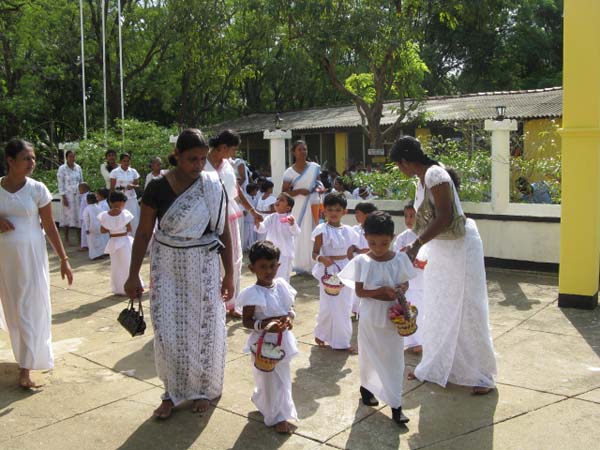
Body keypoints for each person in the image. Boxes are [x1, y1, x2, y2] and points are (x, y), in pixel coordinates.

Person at [124, 128, 234, 419]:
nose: (198, 165)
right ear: (177, 156)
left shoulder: (213, 185)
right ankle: (171, 392)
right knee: (167, 332)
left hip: (204, 266)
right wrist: (133, 274)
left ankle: (202, 390)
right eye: (192, 159)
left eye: (202, 159)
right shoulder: (157, 188)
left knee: (205, 328)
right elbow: (144, 232)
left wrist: (229, 275)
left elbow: (223, 230)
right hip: (167, 266)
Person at [390, 136, 497, 395]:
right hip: (441, 250)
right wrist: (415, 246)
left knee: (467, 310)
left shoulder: (435, 174)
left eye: (399, 165)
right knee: (440, 308)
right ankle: (437, 367)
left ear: (405, 161)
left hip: (460, 250)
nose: (400, 170)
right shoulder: (421, 180)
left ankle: (482, 376)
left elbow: (446, 216)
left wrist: (416, 245)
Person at [0, 139, 73, 388]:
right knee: (14, 310)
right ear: (10, 161)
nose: (32, 162)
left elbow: (50, 226)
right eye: (26, 158)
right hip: (5, 261)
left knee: (31, 309)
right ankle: (23, 357)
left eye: (33, 157)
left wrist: (63, 259)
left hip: (32, 257)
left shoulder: (37, 189)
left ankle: (26, 368)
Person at [339, 211, 415, 425]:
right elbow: (360, 291)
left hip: (394, 316)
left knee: (394, 359)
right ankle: (366, 388)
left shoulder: (400, 259)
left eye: (384, 243)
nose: (379, 248)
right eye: (372, 243)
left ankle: (396, 405)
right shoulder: (362, 261)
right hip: (371, 316)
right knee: (369, 355)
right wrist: (381, 291)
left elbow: (406, 282)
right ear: (365, 238)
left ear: (392, 238)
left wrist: (400, 289)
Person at [239, 241, 298, 434]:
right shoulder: (252, 294)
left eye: (272, 266)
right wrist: (264, 325)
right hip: (263, 344)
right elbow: (246, 321)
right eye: (263, 267)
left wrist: (289, 319)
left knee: (282, 378)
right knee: (268, 380)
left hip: (283, 341)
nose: (269, 271)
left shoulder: (282, 286)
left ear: (278, 265)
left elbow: (290, 308)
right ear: (252, 268)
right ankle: (276, 416)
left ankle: (279, 412)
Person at [206, 129, 261, 317]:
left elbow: (237, 190)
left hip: (229, 216)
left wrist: (252, 211)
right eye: (233, 149)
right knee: (213, 260)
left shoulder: (228, 164)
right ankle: (214, 303)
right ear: (223, 147)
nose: (234, 153)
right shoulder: (202, 164)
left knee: (234, 258)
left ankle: (231, 302)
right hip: (208, 219)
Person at [311, 192, 358, 352]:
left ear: (344, 212)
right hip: (328, 270)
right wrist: (322, 259)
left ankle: (342, 342)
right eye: (330, 209)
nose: (333, 213)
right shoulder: (321, 230)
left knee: (344, 305)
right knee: (327, 305)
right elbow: (314, 253)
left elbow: (352, 251)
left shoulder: (350, 231)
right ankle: (321, 333)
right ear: (324, 210)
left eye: (338, 210)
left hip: (345, 269)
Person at [282, 140, 321, 273]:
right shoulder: (289, 172)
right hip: (298, 205)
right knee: (300, 232)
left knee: (313, 230)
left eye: (305, 149)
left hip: (313, 202)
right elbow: (284, 192)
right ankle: (301, 263)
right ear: (294, 152)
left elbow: (319, 183)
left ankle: (314, 262)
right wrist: (299, 191)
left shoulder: (314, 167)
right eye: (299, 149)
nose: (303, 152)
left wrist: (319, 189)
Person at [393, 202, 426, 353]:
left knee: (423, 309)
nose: (408, 219)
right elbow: (396, 257)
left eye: (412, 216)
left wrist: (423, 263)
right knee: (411, 309)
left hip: (423, 278)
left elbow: (433, 257)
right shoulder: (402, 237)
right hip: (408, 281)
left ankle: (423, 340)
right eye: (406, 216)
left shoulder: (427, 236)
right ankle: (413, 341)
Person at [98, 192, 138, 296]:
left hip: (113, 241)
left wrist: (112, 228)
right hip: (124, 240)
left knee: (116, 265)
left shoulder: (105, 215)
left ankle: (118, 287)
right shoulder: (125, 213)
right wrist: (119, 227)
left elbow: (102, 230)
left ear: (110, 202)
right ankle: (131, 286)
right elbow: (129, 228)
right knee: (127, 263)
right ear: (122, 202)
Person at [255, 193, 301, 282]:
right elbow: (262, 228)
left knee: (283, 277)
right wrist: (258, 224)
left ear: (288, 208)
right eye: (278, 199)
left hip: (285, 253)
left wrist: (292, 224)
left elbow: (297, 232)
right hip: (271, 252)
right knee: (271, 275)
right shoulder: (271, 217)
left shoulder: (290, 219)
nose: (278, 201)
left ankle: (282, 290)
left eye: (282, 200)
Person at [346, 202, 378, 319]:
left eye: (358, 213)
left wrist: (363, 251)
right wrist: (355, 253)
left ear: (367, 215)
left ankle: (366, 311)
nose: (355, 216)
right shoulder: (354, 229)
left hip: (371, 262)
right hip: (357, 262)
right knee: (356, 287)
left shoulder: (375, 230)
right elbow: (351, 247)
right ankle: (356, 311)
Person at [57, 150, 83, 245]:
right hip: (67, 196)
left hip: (77, 196)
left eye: (73, 156)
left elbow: (81, 182)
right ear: (66, 158)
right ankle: (66, 238)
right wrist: (64, 197)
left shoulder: (78, 168)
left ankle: (80, 239)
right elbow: (60, 183)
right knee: (66, 217)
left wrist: (83, 194)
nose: (72, 158)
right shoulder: (62, 169)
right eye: (70, 157)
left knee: (78, 216)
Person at [110, 153, 140, 235]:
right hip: (120, 199)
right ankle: (123, 236)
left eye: (128, 161)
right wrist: (111, 200)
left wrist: (132, 186)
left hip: (131, 198)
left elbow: (137, 184)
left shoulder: (133, 171)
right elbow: (112, 187)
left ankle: (134, 237)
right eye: (124, 161)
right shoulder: (115, 172)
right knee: (122, 217)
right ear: (120, 161)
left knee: (134, 218)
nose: (126, 163)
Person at [83, 193, 108, 260]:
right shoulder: (98, 207)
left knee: (92, 241)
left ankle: (94, 255)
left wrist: (87, 228)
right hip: (99, 226)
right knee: (100, 240)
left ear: (88, 200)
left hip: (91, 227)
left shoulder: (87, 209)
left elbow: (86, 219)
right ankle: (101, 253)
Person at [242, 183, 259, 251]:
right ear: (252, 191)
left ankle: (250, 248)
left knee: (251, 235)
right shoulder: (246, 197)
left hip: (252, 220)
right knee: (245, 235)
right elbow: (243, 207)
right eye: (255, 190)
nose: (256, 192)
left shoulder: (255, 198)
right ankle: (243, 248)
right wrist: (244, 211)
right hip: (246, 220)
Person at [78, 182, 90, 251]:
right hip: (84, 216)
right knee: (84, 232)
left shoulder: (86, 197)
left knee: (84, 232)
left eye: (80, 189)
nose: (79, 190)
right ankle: (85, 245)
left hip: (86, 217)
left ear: (84, 189)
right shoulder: (84, 196)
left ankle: (85, 246)